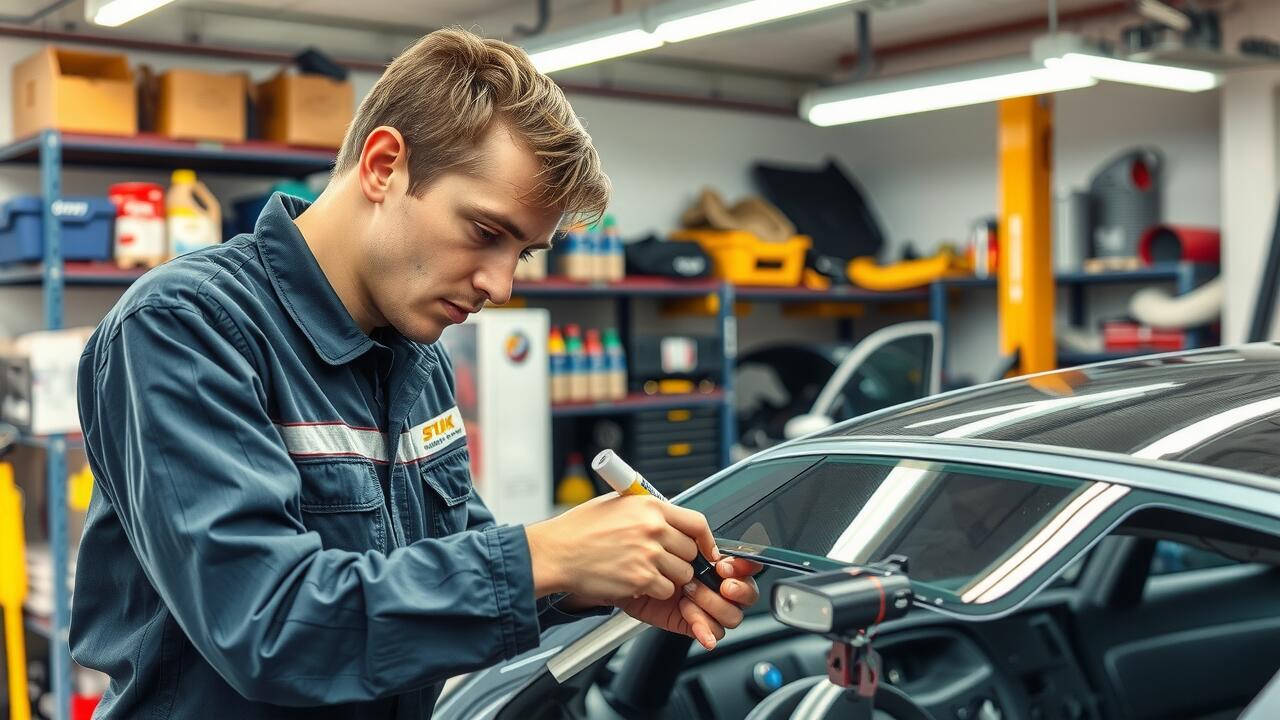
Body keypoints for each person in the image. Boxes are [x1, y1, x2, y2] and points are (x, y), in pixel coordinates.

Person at [71, 28, 760, 718]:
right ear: (383, 166)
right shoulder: (185, 328)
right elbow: (266, 623)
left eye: (522, 253)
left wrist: (593, 578)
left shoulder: (414, 352)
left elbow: (453, 562)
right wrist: (546, 556)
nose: (500, 286)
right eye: (487, 233)